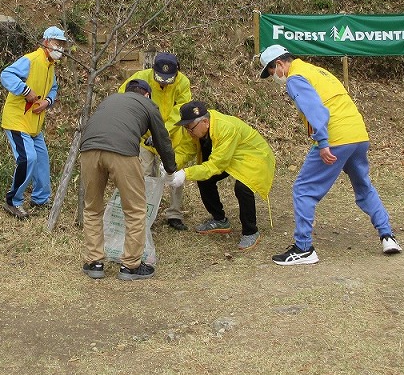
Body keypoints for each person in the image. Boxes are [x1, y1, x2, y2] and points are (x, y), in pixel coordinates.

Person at [258, 44, 402, 266]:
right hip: (358, 134)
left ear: (279, 64)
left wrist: (323, 142)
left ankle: (303, 248)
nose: (273, 76)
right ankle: (387, 236)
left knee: (303, 189)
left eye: (270, 71)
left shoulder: (295, 78)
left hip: (335, 138)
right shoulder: (318, 71)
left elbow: (316, 110)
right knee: (363, 186)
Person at [80, 79, 178, 281]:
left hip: (89, 150)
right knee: (135, 210)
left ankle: (94, 262)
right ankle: (130, 266)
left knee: (92, 208)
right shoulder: (148, 105)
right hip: (122, 152)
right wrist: (170, 169)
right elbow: (162, 139)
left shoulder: (110, 99)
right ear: (147, 95)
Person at [169, 100, 273, 251]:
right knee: (204, 179)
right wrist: (170, 164)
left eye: (190, 128)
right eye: (185, 128)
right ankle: (220, 220)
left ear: (205, 122)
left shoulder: (225, 128)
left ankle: (251, 231)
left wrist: (186, 173)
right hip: (229, 156)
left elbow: (216, 165)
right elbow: (186, 150)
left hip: (254, 156)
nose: (188, 132)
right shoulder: (196, 129)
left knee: (243, 188)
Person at [118, 52, 193, 231]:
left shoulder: (182, 82)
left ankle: (174, 214)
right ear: (153, 70)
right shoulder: (139, 79)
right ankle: (143, 214)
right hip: (145, 137)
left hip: (172, 136)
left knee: (174, 174)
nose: (164, 83)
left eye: (168, 79)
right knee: (143, 175)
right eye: (160, 79)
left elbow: (180, 111)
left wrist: (161, 132)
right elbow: (123, 99)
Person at [0, 26, 67, 220]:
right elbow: (6, 75)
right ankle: (13, 201)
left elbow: (53, 88)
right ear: (46, 42)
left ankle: (40, 199)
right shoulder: (31, 59)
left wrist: (48, 101)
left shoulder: (50, 65)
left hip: (35, 124)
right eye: (56, 43)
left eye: (62, 44)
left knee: (42, 160)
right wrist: (26, 91)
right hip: (17, 120)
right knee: (28, 159)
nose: (60, 48)